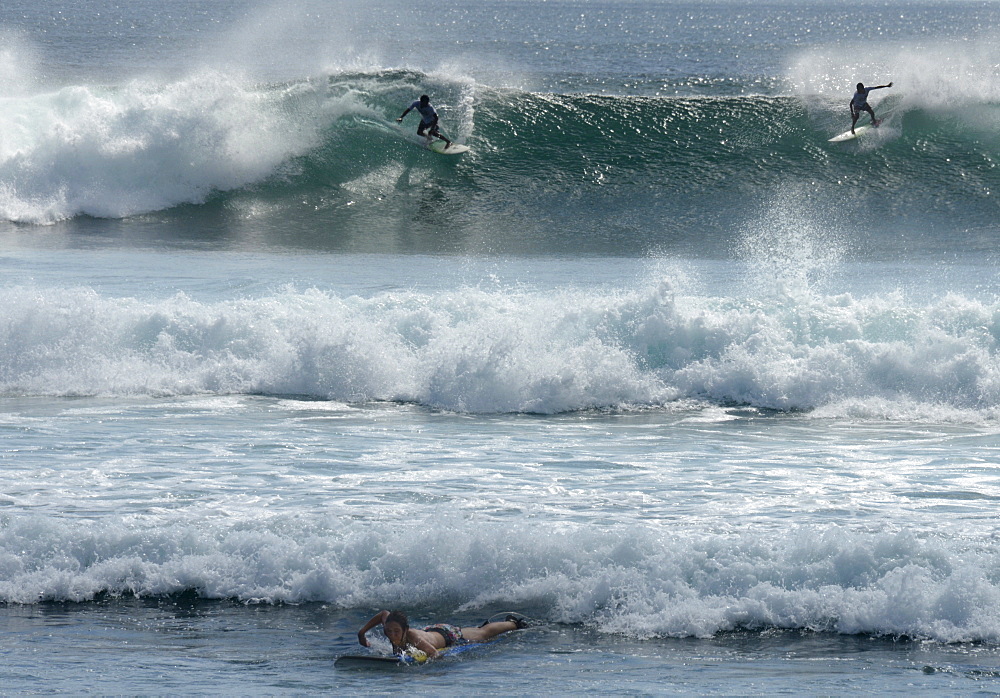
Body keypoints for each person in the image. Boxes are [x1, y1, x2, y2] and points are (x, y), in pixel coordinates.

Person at [357, 610, 528, 658]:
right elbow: (383, 613)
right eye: (389, 630)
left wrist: (423, 667)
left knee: (482, 634)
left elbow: (435, 653)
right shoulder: (390, 626)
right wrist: (361, 633)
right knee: (476, 631)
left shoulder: (413, 638)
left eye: (396, 631)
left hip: (447, 636)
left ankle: (514, 623)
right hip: (431, 630)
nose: (392, 634)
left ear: (405, 629)